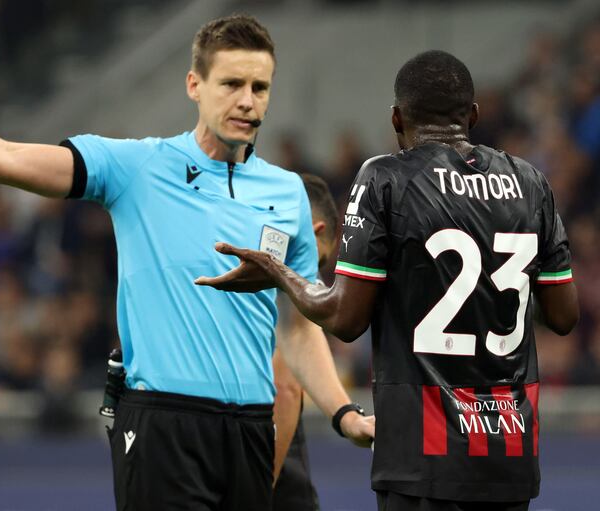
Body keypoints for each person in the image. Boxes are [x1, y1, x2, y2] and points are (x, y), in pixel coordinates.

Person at [0, 14, 373, 510]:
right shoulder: (135, 167)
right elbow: (3, 156)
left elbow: (299, 328)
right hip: (164, 425)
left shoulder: (287, 194)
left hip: (253, 428)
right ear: (194, 85)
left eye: (260, 87)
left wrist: (344, 413)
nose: (248, 100)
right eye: (231, 84)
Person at [196, 50, 580, 511]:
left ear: (397, 119)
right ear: (473, 116)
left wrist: (280, 273)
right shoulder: (531, 183)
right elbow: (563, 315)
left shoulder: (386, 179)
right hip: (508, 453)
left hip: (422, 457)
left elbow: (344, 317)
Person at [272, 173, 350, 511]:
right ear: (316, 230)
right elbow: (285, 386)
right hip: (264, 435)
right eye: (320, 261)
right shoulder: (290, 281)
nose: (313, 281)